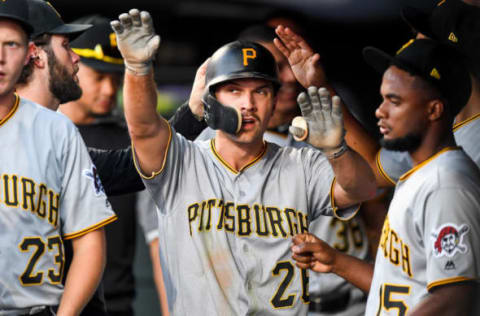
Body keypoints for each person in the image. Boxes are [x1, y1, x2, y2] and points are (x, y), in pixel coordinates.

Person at [111, 8, 376, 315]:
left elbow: (363, 189)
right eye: (234, 90)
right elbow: (143, 128)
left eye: (260, 91)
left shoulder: (301, 164)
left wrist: (337, 150)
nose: (248, 105)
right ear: (211, 100)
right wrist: (137, 68)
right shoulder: (182, 161)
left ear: (275, 101)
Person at [291, 39, 480, 315]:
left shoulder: (446, 183)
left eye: (395, 101)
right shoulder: (421, 173)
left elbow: (456, 297)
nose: (380, 111)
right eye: (382, 98)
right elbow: (399, 286)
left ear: (434, 110)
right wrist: (336, 262)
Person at [0, 0, 116, 315]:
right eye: (66, 45)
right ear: (36, 54)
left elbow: (140, 163)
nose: (76, 56)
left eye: (10, 44)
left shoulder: (59, 131)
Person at [59, 15, 139, 316]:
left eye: (116, 80)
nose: (109, 90)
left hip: (117, 303)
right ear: (73, 64)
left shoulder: (127, 142)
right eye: (100, 77)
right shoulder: (39, 136)